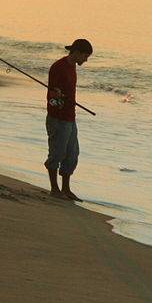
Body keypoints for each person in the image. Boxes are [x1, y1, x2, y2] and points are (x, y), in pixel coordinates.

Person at [45, 38, 92, 200]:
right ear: (77, 52)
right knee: (57, 153)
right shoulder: (59, 67)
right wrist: (57, 97)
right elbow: (51, 97)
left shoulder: (72, 67)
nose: (86, 60)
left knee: (72, 154)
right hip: (57, 118)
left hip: (70, 118)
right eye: (85, 56)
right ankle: (54, 189)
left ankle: (66, 188)